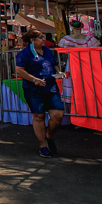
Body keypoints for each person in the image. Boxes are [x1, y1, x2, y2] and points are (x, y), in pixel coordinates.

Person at [15, 29, 64, 158]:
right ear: (32, 40)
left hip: (51, 87)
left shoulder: (47, 50)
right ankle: (43, 145)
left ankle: (49, 136)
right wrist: (34, 80)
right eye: (40, 37)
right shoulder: (24, 54)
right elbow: (19, 70)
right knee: (38, 116)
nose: (43, 39)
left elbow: (54, 64)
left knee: (58, 114)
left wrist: (59, 72)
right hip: (33, 89)